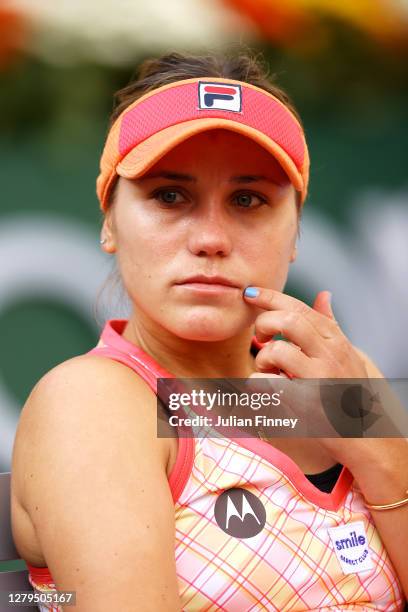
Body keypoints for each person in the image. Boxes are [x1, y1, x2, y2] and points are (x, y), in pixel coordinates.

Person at [10, 48, 408, 611]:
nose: (211, 238)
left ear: (296, 233)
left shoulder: (345, 374)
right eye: (170, 196)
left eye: (247, 199)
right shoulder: (92, 403)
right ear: (109, 221)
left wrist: (379, 447)